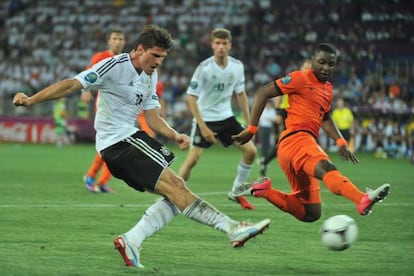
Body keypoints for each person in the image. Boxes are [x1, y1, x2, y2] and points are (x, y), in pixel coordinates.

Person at [13, 25, 270, 268]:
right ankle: (232, 229)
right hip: (119, 142)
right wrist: (31, 99)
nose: (158, 62)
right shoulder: (114, 65)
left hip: (130, 139)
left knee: (175, 193)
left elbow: (153, 117)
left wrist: (174, 134)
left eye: (162, 57)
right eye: (155, 55)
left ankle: (132, 240)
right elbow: (72, 84)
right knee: (177, 187)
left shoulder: (150, 74)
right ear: (138, 50)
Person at [232, 43, 390, 222]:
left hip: (293, 148)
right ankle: (362, 198)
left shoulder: (327, 89)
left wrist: (340, 142)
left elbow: (325, 117)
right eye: (321, 62)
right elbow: (262, 92)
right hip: (297, 140)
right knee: (327, 169)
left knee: (311, 213)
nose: (326, 68)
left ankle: (263, 190)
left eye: (330, 64)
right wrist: (252, 129)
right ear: (312, 61)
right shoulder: (300, 78)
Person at [177, 28, 257, 210]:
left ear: (230, 45)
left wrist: (249, 122)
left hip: (227, 118)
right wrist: (203, 127)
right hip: (205, 118)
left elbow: (241, 93)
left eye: (224, 43)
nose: (221, 47)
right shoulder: (204, 68)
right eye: (218, 43)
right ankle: (174, 194)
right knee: (193, 159)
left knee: (251, 152)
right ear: (212, 45)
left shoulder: (237, 66)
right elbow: (191, 98)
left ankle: (236, 190)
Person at [81, 29, 126, 193]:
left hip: (122, 108)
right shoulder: (100, 57)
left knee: (114, 146)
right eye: (115, 38)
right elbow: (87, 76)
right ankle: (95, 179)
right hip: (105, 107)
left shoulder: (125, 59)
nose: (118, 41)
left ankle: (98, 180)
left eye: (121, 38)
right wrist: (86, 90)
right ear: (109, 41)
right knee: (115, 145)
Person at [259, 60, 311, 176]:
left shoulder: (311, 84)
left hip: (298, 116)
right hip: (285, 113)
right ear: (301, 67)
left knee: (293, 143)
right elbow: (279, 93)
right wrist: (277, 112)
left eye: (309, 68)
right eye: (305, 67)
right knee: (284, 144)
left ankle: (266, 161)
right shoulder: (294, 78)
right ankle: (267, 161)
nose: (307, 70)